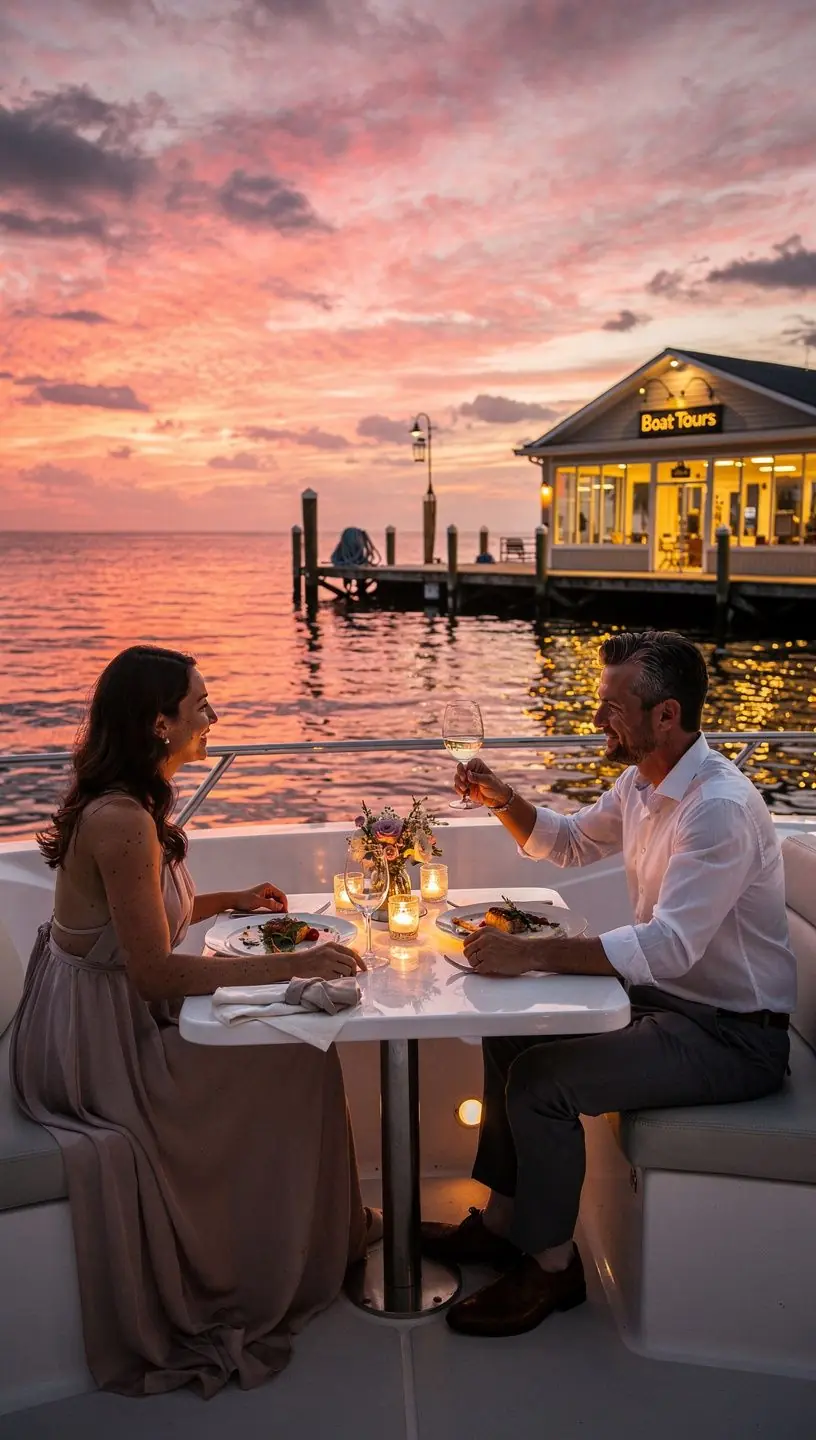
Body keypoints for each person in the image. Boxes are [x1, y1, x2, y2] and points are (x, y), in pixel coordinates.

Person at [11, 645, 375, 1398]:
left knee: (298, 1046)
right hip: (96, 1047)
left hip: (114, 1014)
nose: (213, 718)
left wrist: (228, 900)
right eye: (202, 706)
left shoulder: (135, 802)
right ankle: (278, 1257)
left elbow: (145, 921)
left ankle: (317, 1237)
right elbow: (154, 970)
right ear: (159, 723)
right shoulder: (121, 821)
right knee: (298, 1056)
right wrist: (292, 965)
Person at [424, 629, 795, 1338]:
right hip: (676, 1003)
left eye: (613, 706)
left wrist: (536, 954)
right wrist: (503, 796)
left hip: (734, 1037)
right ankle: (503, 1224)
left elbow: (670, 946)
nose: (597, 720)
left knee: (542, 1081)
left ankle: (554, 1268)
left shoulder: (714, 808)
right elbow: (566, 842)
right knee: (512, 1037)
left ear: (667, 715)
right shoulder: (644, 782)